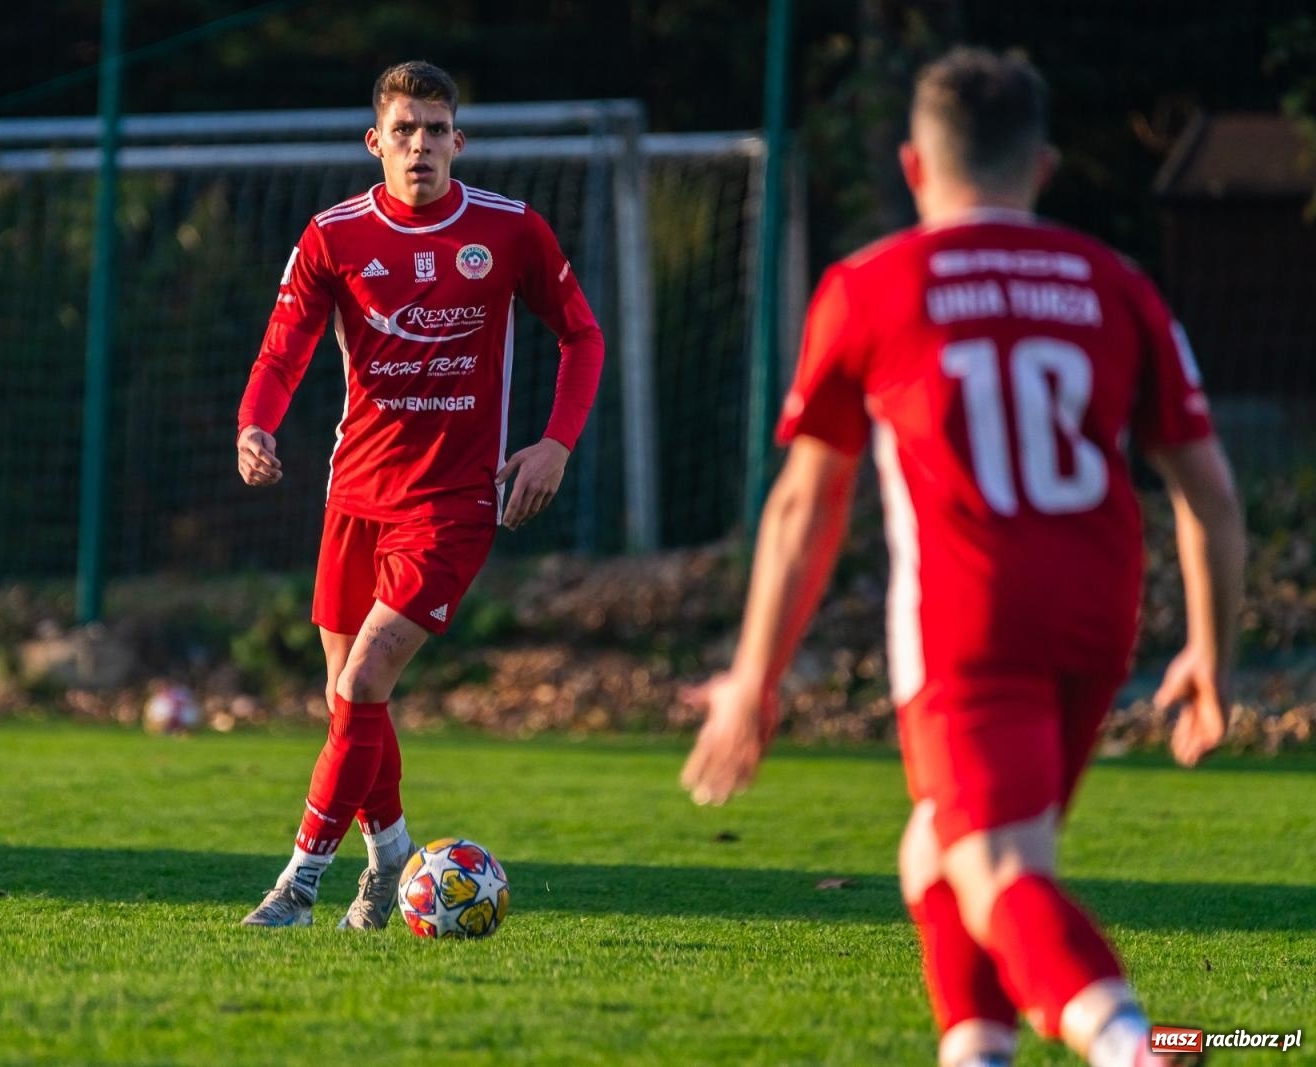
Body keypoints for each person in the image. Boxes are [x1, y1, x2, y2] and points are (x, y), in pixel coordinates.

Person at [680, 46, 1244, 1067]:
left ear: (911, 167)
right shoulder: (1114, 284)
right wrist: (1210, 649)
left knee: (992, 865)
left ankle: (1136, 1041)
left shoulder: (871, 285)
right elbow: (1207, 492)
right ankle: (976, 1048)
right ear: (1042, 167)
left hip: (968, 617)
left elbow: (806, 501)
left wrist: (752, 680)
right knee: (935, 856)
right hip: (1098, 616)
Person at [236, 60, 604, 929]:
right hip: (353, 493)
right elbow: (282, 348)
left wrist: (555, 444)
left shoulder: (510, 231)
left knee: (364, 680)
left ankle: (296, 886)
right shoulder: (334, 235)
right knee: (349, 701)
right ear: (376, 143)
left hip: (450, 505)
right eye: (405, 130)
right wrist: (255, 425)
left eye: (436, 130)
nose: (421, 146)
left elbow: (581, 336)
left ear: (458, 142)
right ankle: (393, 857)